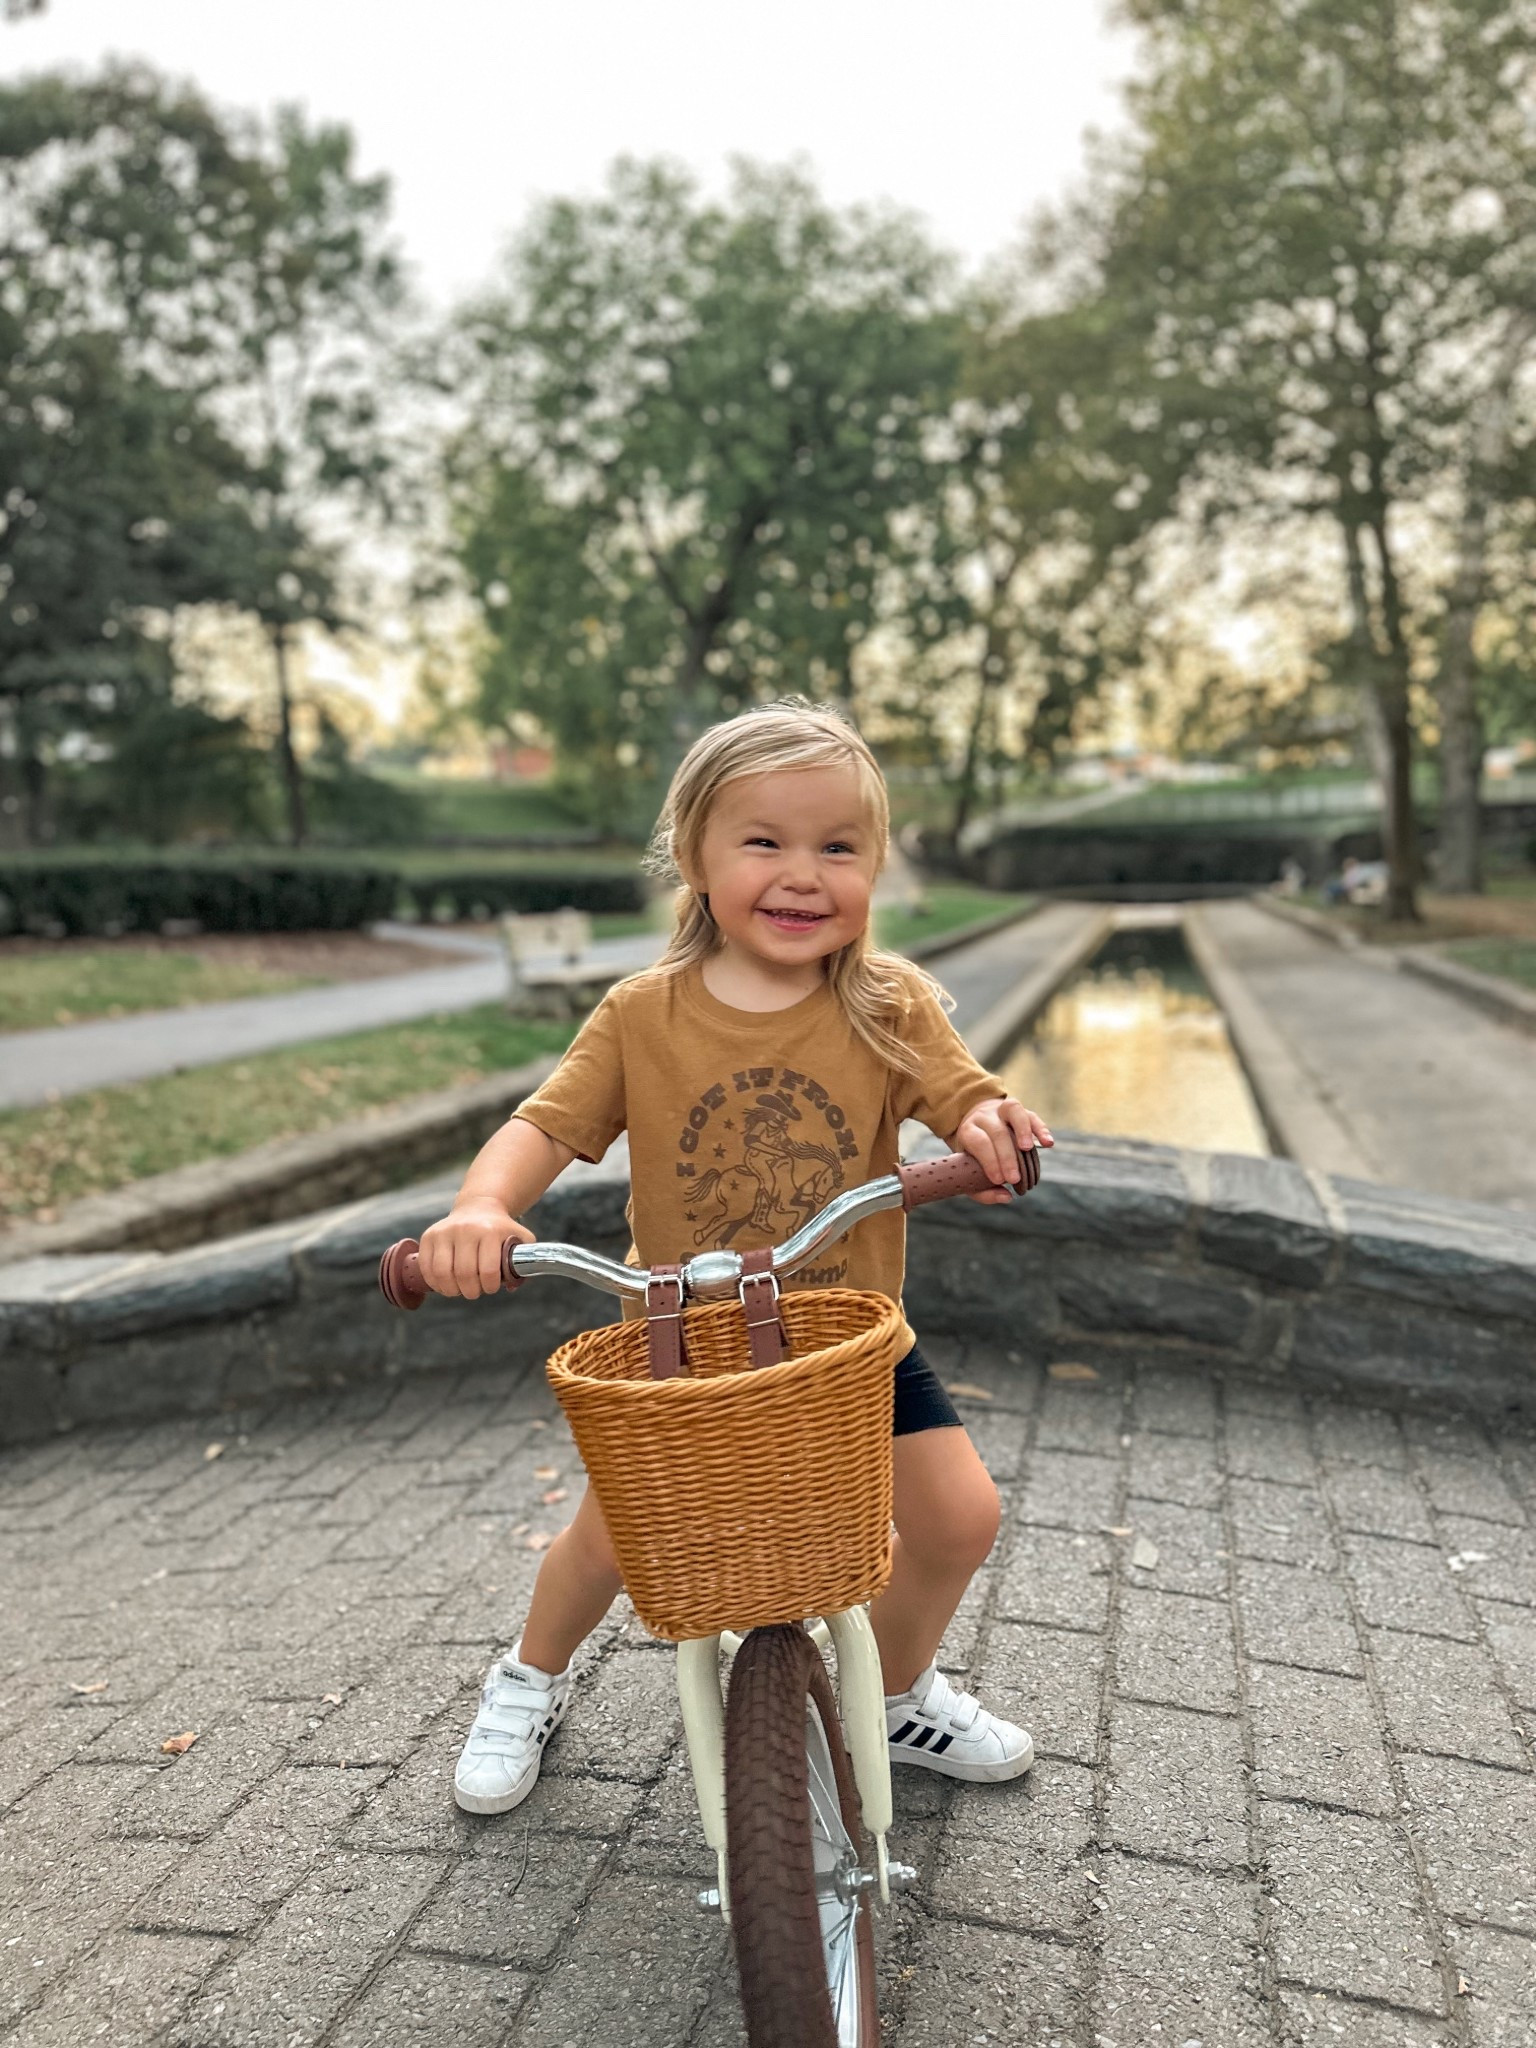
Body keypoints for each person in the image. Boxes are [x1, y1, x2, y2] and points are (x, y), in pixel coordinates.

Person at [418, 697, 1055, 1817]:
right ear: (696, 857)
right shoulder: (643, 1012)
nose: (803, 873)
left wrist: (991, 1124)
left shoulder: (885, 1000)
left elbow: (965, 1095)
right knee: (611, 1539)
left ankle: (900, 1694)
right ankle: (527, 1678)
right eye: (764, 841)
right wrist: (481, 1204)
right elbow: (545, 1126)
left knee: (960, 1517)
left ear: (876, 867)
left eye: (838, 847)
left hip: (845, 1344)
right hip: (680, 1337)